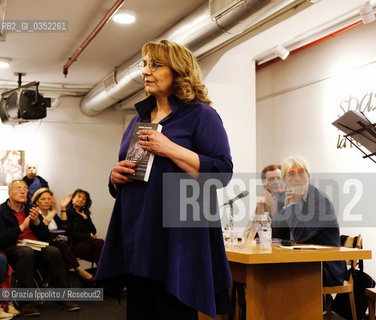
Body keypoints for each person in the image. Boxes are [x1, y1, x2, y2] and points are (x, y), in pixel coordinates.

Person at [96, 39, 233, 320]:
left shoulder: (202, 115)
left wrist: (168, 147)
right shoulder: (138, 120)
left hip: (178, 238)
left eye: (155, 65)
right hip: (138, 234)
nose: (146, 71)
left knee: (173, 311)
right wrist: (115, 176)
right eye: (145, 64)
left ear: (179, 72)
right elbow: (132, 173)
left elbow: (222, 172)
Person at [0, 180, 80, 316]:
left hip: (35, 246)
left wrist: (37, 222)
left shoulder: (30, 208)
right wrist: (20, 228)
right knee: (26, 252)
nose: (23, 191)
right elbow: (1, 239)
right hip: (14, 248)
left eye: (25, 189)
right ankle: (27, 303)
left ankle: (64, 298)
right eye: (18, 188)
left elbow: (45, 236)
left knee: (54, 251)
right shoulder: (2, 211)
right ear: (9, 192)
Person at [272, 156, 346, 286]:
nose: (297, 178)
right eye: (291, 174)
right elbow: (276, 236)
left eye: (301, 173)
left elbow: (301, 235)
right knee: (265, 272)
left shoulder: (320, 200)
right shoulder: (284, 197)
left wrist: (292, 206)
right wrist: (281, 210)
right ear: (285, 180)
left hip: (325, 265)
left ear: (308, 176)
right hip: (298, 261)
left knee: (282, 276)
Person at [31, 188, 95, 282]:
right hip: (44, 243)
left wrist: (63, 209)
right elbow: (42, 232)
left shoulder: (53, 214)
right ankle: (79, 270)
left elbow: (64, 228)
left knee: (63, 248)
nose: (47, 201)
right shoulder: (35, 214)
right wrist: (53, 211)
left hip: (59, 243)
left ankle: (65, 288)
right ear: (36, 202)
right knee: (61, 245)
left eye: (49, 199)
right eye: (43, 199)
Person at [65, 189, 104, 265]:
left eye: (84, 199)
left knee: (100, 242)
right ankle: (101, 269)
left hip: (86, 241)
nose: (81, 200)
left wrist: (86, 219)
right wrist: (89, 235)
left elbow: (94, 231)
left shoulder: (85, 213)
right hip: (74, 243)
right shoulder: (67, 212)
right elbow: (70, 233)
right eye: (79, 197)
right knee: (97, 250)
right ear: (72, 198)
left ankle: (101, 269)